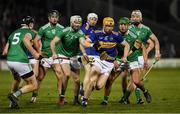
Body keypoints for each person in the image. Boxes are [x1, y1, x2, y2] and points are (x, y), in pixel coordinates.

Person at [81, 17, 129, 107]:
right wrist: (92, 44)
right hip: (99, 59)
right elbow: (84, 42)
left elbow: (127, 45)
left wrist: (125, 56)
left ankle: (87, 87)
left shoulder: (116, 35)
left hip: (109, 64)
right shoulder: (96, 33)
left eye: (111, 26)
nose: (109, 28)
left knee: (98, 86)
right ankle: (85, 100)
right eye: (107, 26)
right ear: (103, 25)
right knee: (94, 73)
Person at [101, 17, 148, 105]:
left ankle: (145, 92)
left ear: (129, 25)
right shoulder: (115, 35)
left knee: (136, 81)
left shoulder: (134, 35)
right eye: (121, 24)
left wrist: (144, 60)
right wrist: (114, 59)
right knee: (110, 80)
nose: (122, 26)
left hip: (132, 59)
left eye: (124, 25)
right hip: (119, 59)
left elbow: (138, 47)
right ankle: (105, 100)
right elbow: (111, 49)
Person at [50, 15, 89, 106]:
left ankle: (75, 99)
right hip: (63, 56)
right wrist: (54, 53)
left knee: (77, 80)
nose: (78, 25)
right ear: (71, 22)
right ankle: (62, 97)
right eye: (76, 22)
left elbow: (83, 42)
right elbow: (53, 42)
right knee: (67, 74)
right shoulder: (64, 31)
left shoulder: (80, 32)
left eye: (79, 23)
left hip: (74, 57)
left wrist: (90, 46)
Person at [2, 16, 40, 109]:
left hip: (10, 61)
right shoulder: (31, 32)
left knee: (17, 80)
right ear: (30, 24)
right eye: (32, 23)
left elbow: (5, 52)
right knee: (34, 85)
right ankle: (15, 95)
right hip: (20, 61)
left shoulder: (13, 33)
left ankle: (12, 104)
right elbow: (29, 42)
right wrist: (36, 53)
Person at [32, 10, 64, 103]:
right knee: (41, 77)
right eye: (53, 17)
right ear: (49, 18)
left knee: (60, 76)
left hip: (56, 56)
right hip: (46, 56)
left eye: (56, 17)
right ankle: (34, 95)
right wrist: (39, 52)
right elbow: (36, 40)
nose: (55, 19)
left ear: (58, 18)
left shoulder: (62, 28)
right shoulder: (43, 28)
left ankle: (61, 97)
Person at [80, 13, 98, 98]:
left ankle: (83, 88)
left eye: (95, 20)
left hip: (93, 55)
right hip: (85, 54)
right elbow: (81, 41)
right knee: (88, 72)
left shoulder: (93, 30)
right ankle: (83, 93)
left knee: (93, 75)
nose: (94, 21)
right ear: (88, 19)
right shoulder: (83, 28)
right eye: (92, 19)